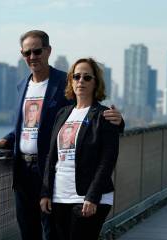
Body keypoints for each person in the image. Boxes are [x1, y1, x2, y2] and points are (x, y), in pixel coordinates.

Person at [0, 30, 124, 240]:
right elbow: (27, 125)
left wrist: (119, 122)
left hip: (51, 173)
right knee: (27, 229)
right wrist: (8, 139)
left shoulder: (64, 82)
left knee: (51, 232)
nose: (32, 57)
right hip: (23, 171)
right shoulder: (22, 85)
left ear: (48, 51)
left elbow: (90, 115)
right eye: (27, 53)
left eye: (37, 51)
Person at [40, 58, 119, 240]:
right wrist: (45, 192)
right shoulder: (63, 113)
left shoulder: (103, 115)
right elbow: (52, 157)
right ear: (71, 81)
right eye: (76, 77)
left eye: (87, 77)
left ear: (95, 83)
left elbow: (108, 160)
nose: (81, 81)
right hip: (59, 196)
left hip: (87, 197)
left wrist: (92, 196)